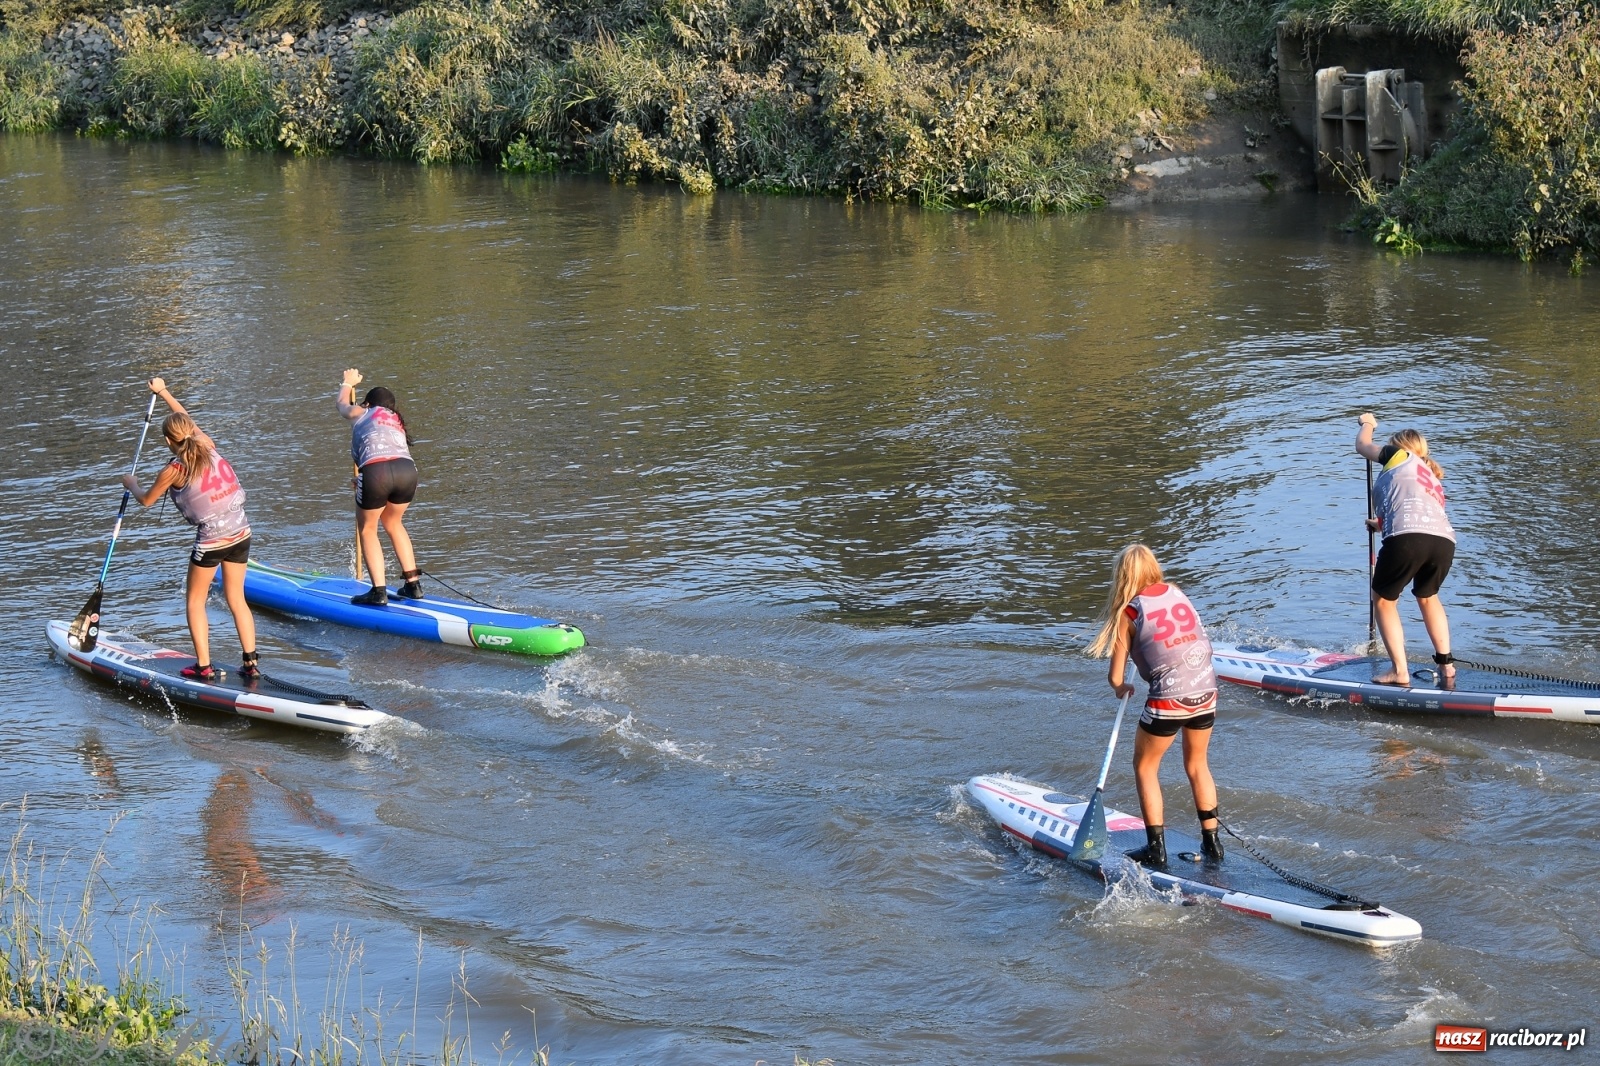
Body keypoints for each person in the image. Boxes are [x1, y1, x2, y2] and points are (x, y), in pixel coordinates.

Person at [1087, 544, 1222, 867]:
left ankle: (1155, 849)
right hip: (1207, 691)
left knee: (1145, 767)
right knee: (1197, 765)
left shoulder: (1130, 613)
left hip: (1169, 700)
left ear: (1122, 576)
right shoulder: (1176, 593)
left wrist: (1123, 688)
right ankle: (1213, 844)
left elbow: (1115, 676)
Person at [120, 377, 259, 682]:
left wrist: (132, 485)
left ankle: (204, 667)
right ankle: (251, 663)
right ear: (190, 434)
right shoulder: (207, 445)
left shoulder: (173, 469)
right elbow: (188, 422)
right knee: (237, 598)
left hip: (211, 541)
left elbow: (147, 501)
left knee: (195, 601)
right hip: (242, 532)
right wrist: (164, 392)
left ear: (169, 442)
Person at [1356, 413, 1455, 686]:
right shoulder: (1432, 477)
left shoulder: (1398, 455)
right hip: (1444, 542)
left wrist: (1368, 424)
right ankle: (1446, 666)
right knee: (1428, 596)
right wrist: (1379, 524)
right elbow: (1419, 513)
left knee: (1384, 601)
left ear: (1399, 446)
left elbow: (1362, 446)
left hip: (1409, 539)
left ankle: (1399, 672)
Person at [338, 369, 421, 606]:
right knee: (394, 523)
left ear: (367, 403)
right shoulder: (396, 421)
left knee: (368, 529)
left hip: (378, 474)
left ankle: (378, 592)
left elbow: (342, 403)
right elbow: (387, 458)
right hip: (407, 472)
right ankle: (413, 585)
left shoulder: (363, 411)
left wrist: (347, 382)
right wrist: (365, 479)